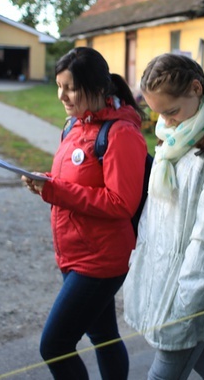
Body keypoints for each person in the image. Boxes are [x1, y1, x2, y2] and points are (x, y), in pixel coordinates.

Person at [123, 53, 204, 380]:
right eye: (159, 114)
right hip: (165, 280)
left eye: (171, 112)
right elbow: (156, 217)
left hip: (190, 290)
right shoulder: (177, 138)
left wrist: (187, 303)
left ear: (197, 88)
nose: (166, 123)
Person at [22, 47, 148, 379]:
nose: (61, 95)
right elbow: (73, 184)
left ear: (96, 88)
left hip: (102, 259)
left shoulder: (122, 134)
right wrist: (45, 182)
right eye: (58, 86)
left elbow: (122, 203)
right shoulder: (74, 127)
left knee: (54, 345)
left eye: (70, 88)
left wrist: (56, 191)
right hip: (74, 252)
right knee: (103, 336)